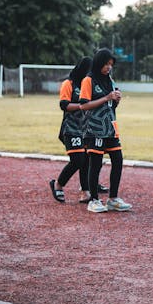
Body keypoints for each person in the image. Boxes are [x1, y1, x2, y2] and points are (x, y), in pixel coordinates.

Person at [80, 48, 132, 213]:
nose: (109, 67)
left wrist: (116, 99)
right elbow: (84, 105)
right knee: (95, 164)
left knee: (118, 160)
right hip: (94, 128)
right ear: (98, 63)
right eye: (106, 64)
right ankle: (94, 200)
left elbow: (110, 104)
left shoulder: (109, 80)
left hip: (110, 127)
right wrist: (106, 98)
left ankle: (113, 199)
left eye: (111, 64)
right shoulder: (88, 80)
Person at [49, 57, 101, 204]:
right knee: (78, 160)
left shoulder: (89, 83)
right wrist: (81, 106)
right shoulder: (68, 83)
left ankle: (85, 192)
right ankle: (58, 184)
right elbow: (64, 105)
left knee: (86, 160)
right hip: (70, 128)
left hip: (86, 129)